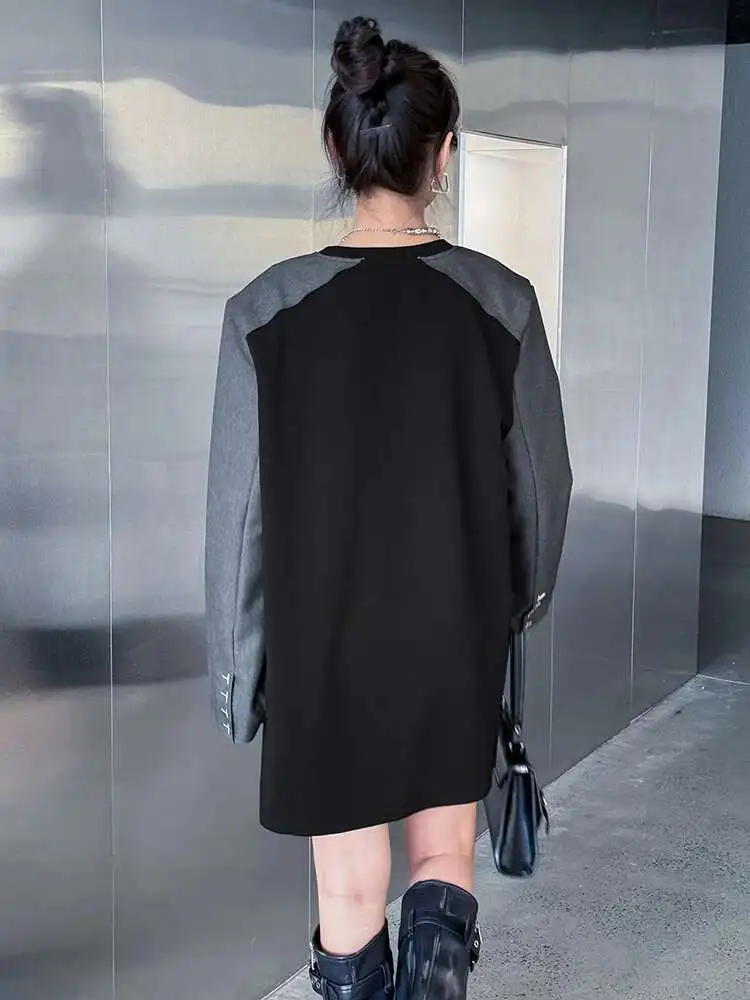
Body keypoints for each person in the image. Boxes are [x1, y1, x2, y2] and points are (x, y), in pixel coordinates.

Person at [205, 15, 572, 1000]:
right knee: (444, 853)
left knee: (348, 883)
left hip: (322, 646)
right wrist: (519, 602)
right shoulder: (501, 302)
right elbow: (542, 487)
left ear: (337, 149)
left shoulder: (264, 311)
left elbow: (240, 519)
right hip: (453, 629)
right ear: (443, 157)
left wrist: (238, 677)